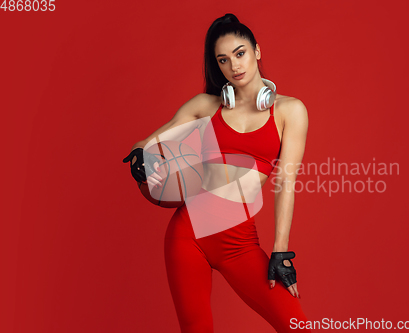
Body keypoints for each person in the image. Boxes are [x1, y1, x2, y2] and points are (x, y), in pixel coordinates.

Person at [122, 13, 311, 333]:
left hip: (239, 242)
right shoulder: (206, 106)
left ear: (257, 51)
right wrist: (143, 160)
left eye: (240, 53)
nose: (234, 66)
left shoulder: (290, 110)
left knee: (297, 325)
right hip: (187, 235)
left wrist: (280, 250)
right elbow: (150, 142)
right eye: (223, 60)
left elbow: (286, 183)